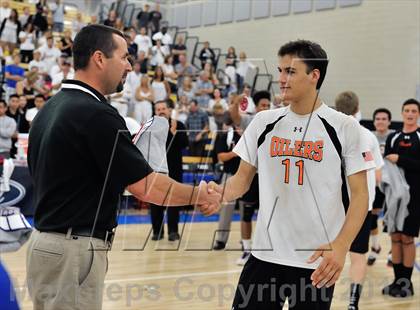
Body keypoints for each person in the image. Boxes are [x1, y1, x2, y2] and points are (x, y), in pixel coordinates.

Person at [26, 24, 221, 310]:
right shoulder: (96, 114)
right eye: (125, 57)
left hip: (44, 243)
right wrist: (198, 196)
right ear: (99, 59)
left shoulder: (50, 109)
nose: (129, 66)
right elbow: (147, 188)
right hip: (73, 249)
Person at [209, 40, 373, 309]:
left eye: (290, 71)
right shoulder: (264, 122)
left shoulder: (344, 128)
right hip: (265, 255)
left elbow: (360, 196)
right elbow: (240, 180)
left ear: (314, 76)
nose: (281, 79)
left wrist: (341, 246)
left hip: (316, 262)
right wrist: (218, 193)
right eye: (280, 70)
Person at [335, 91, 384, 310]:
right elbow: (377, 174)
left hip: (332, 206)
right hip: (360, 206)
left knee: (325, 253)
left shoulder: (328, 132)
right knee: (357, 255)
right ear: (357, 108)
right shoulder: (367, 136)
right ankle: (353, 303)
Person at [382, 98, 420, 298]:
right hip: (393, 197)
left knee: (407, 238)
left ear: (418, 113)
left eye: (414, 110)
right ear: (402, 113)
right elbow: (387, 165)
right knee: (395, 237)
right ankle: (397, 282)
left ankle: (407, 284)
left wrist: (402, 160)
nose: (410, 113)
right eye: (407, 110)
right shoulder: (393, 137)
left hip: (414, 197)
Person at [151, 100, 189, 241]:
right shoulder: (151, 127)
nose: (161, 111)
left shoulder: (179, 125)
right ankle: (157, 232)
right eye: (158, 109)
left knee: (174, 201)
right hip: (155, 169)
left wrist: (173, 134)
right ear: (155, 112)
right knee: (155, 201)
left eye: (163, 108)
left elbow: (185, 144)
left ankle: (173, 231)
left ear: (169, 110)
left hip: (174, 169)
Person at [367, 108, 394, 266]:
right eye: (378, 119)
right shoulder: (369, 137)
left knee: (391, 220)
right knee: (372, 218)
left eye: (384, 119)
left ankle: (392, 251)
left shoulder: (394, 137)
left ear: (389, 121)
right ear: (374, 121)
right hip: (374, 184)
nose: (381, 121)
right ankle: (375, 247)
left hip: (390, 184)